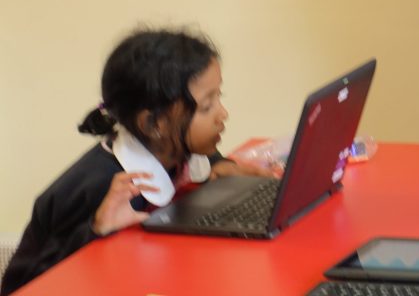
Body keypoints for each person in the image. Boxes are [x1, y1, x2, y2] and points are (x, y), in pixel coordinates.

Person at [1, 28, 272, 295]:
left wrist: (219, 164)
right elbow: (46, 280)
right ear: (154, 124)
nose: (222, 114)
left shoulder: (167, 148)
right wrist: (96, 230)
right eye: (205, 107)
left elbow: (191, 162)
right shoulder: (103, 188)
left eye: (218, 97)